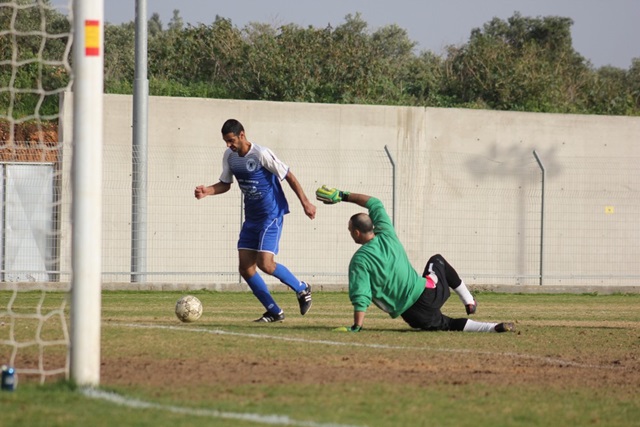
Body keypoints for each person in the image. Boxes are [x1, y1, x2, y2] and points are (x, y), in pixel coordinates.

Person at [315, 185, 516, 333]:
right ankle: (469, 301)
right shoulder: (387, 234)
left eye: (350, 230)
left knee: (447, 324)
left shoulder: (359, 260)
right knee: (437, 260)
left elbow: (361, 295)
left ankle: (491, 327)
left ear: (357, 233)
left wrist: (357, 326)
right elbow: (374, 203)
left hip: (413, 315)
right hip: (429, 292)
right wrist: (342, 195)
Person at [195, 119, 316, 322]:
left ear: (242, 135)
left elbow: (289, 176)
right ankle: (274, 311)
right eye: (226, 141)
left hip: (271, 215)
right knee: (246, 268)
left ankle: (302, 288)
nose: (228, 145)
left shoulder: (261, 154)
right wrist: (208, 190)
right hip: (251, 218)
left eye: (231, 140)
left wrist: (305, 202)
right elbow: (225, 184)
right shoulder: (230, 156)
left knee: (265, 264)